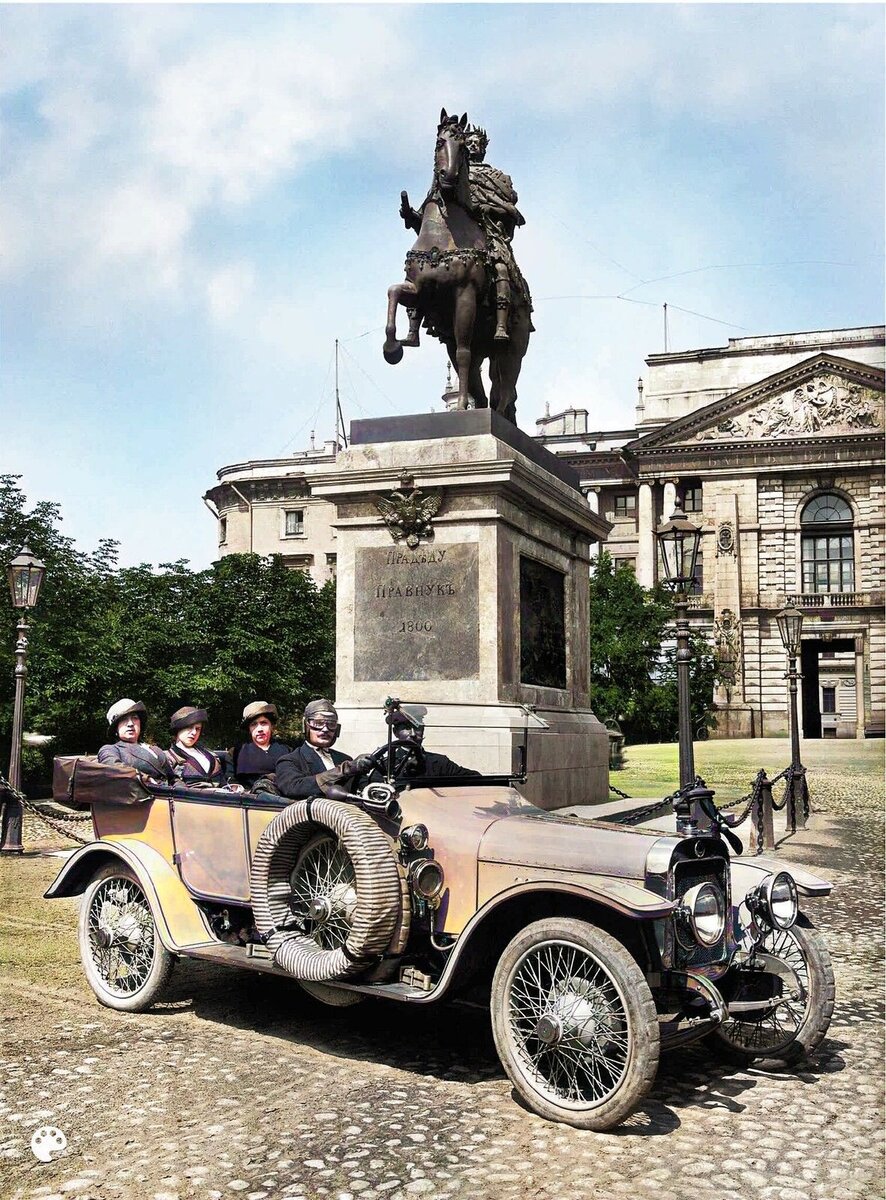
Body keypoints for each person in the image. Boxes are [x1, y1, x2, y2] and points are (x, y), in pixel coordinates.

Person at [464, 125, 534, 343]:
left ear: (483, 147)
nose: (472, 145)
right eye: (469, 142)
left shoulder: (499, 178)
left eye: (476, 142)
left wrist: (489, 208)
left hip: (488, 232)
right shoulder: (454, 174)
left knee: (501, 267)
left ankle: (501, 324)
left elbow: (510, 209)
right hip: (459, 232)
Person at [276, 699, 374, 800]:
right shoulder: (290, 760)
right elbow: (293, 788)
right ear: (305, 726)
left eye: (331, 724)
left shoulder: (345, 758)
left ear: (337, 729)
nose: (325, 729)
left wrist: (378, 769)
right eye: (318, 723)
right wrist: (345, 769)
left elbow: (366, 788)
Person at [385, 711, 480, 780]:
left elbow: (475, 778)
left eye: (417, 728)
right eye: (407, 728)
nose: (413, 734)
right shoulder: (386, 766)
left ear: (423, 729)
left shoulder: (440, 762)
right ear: (395, 732)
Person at [98, 699, 173, 783]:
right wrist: (145, 778)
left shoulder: (155, 749)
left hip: (169, 790)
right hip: (138, 790)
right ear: (116, 728)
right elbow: (113, 768)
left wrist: (181, 788)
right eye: (124, 719)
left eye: (135, 718)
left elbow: (173, 778)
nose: (130, 724)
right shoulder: (111, 749)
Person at [233, 702, 292, 790]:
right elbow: (231, 784)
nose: (259, 729)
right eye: (254, 724)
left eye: (264, 723)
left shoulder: (287, 751)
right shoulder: (237, 753)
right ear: (249, 729)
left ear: (271, 726)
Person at [166, 706, 230, 788]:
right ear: (178, 729)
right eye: (189, 727)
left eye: (198, 728)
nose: (194, 732)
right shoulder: (168, 758)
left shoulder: (212, 755)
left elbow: (224, 784)